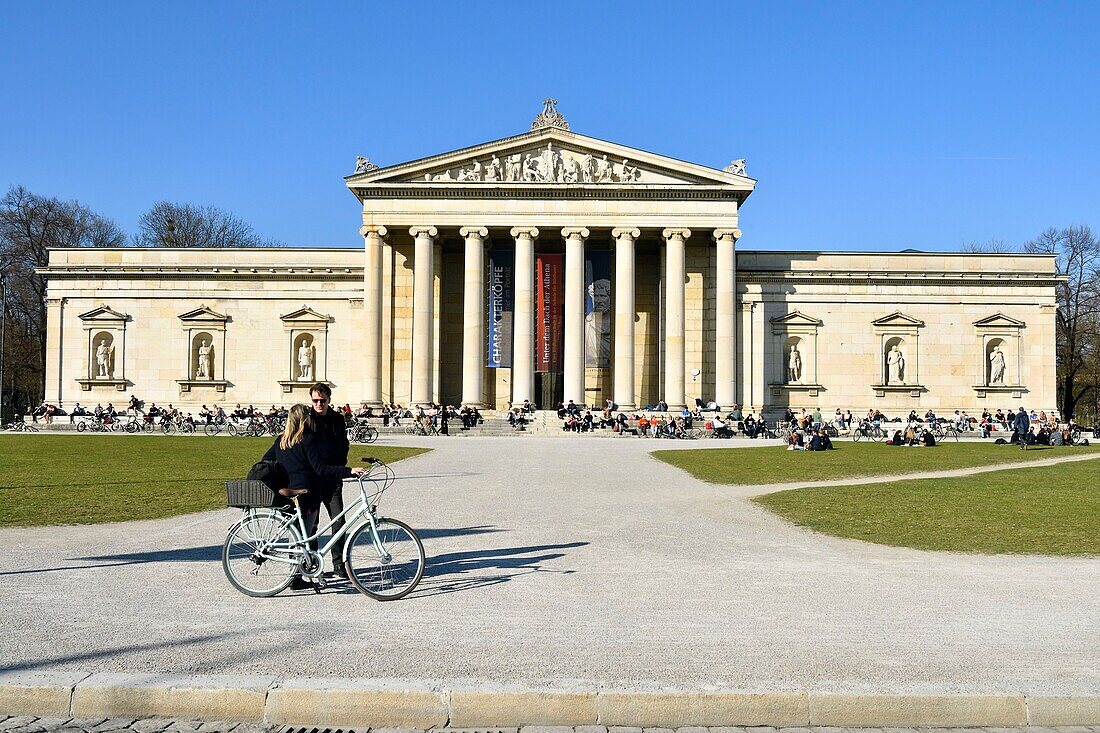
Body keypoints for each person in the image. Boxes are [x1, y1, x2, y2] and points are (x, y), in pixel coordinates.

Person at [262, 404, 367, 590]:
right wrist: (349, 471)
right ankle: (295, 578)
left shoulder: (281, 440)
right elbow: (322, 469)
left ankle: (301, 573)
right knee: (304, 536)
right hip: (308, 492)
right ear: (305, 419)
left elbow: (266, 460)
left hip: (290, 490)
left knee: (300, 536)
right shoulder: (307, 439)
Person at [306, 383, 352, 576]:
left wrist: (341, 466)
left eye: (322, 401)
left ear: (329, 400)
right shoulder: (307, 419)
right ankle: (312, 564)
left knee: (339, 520)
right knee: (312, 523)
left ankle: (339, 563)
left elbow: (343, 444)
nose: (319, 404)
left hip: (332, 478)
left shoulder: (337, 419)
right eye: (315, 401)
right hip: (313, 479)